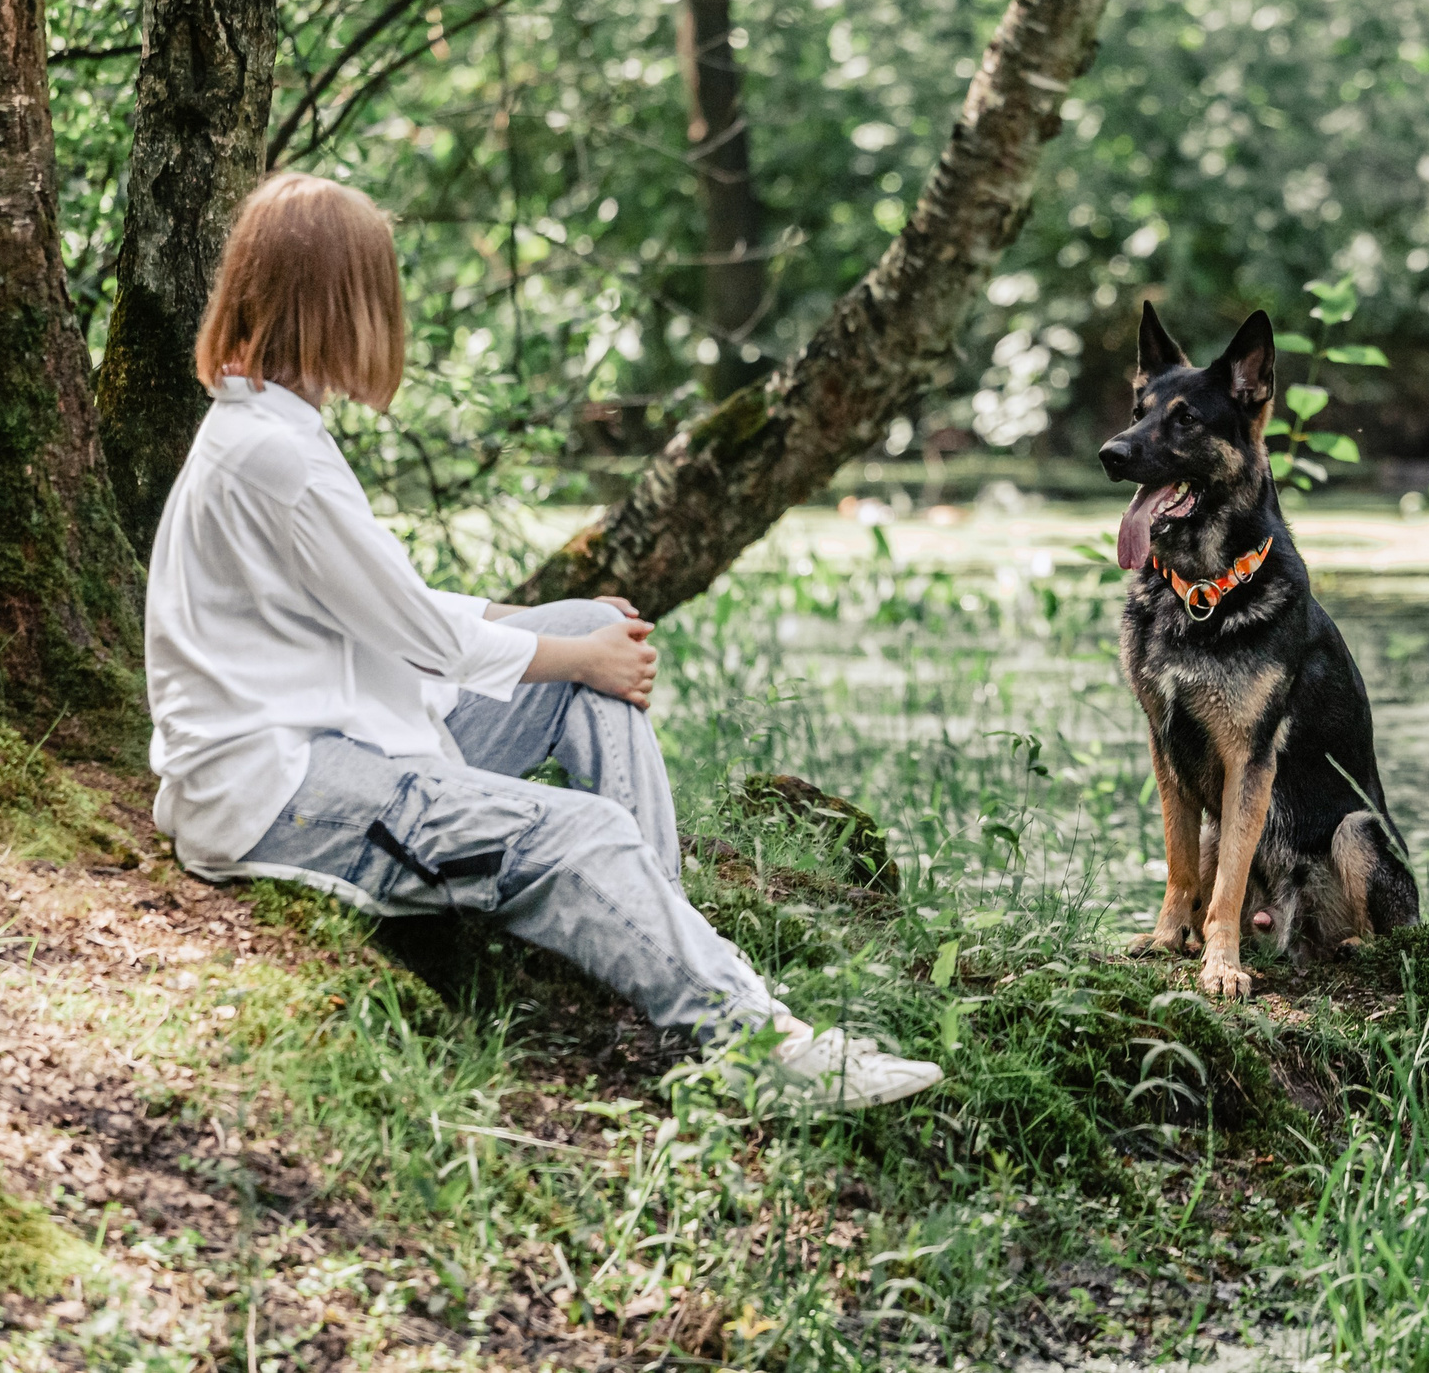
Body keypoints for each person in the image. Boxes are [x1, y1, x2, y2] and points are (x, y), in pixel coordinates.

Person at [143, 172, 942, 1111]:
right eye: (379, 288)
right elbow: (411, 627)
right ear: (335, 301)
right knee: (582, 817)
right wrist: (569, 655)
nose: (388, 312)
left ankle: (680, 942)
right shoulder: (273, 454)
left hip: (338, 741)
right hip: (279, 793)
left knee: (591, 626)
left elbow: (384, 602)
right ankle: (755, 1049)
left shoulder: (271, 430)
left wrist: (559, 633)